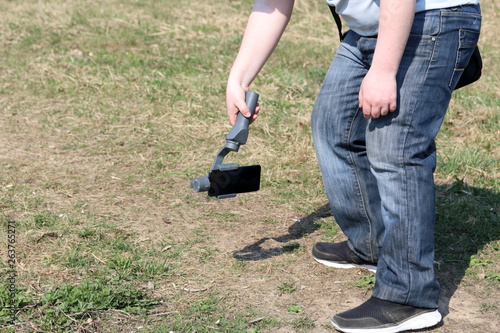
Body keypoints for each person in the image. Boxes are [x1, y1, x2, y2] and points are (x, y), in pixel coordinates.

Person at [225, 0, 481, 332]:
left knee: (396, 146)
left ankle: (409, 294)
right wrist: (238, 78)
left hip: (431, 20)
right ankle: (372, 245)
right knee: (335, 125)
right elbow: (274, 4)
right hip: (369, 30)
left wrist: (384, 71)